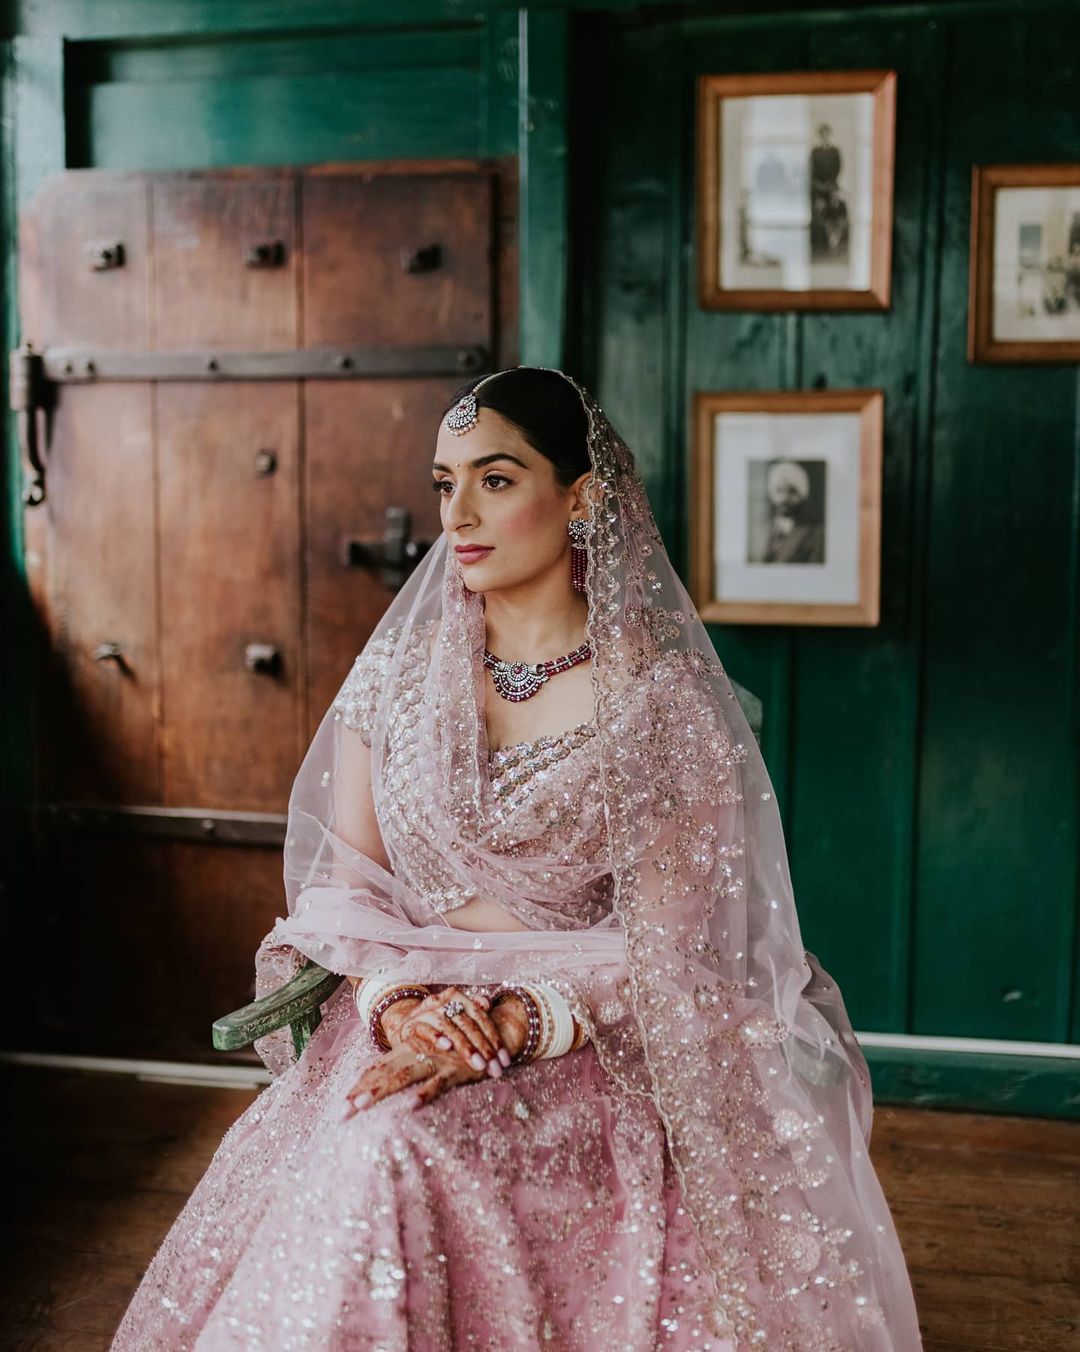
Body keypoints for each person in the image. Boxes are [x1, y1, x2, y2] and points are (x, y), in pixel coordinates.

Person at [111, 366, 923, 1350]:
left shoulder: (660, 706)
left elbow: (682, 941)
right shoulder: (395, 686)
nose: (460, 512)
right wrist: (402, 1004)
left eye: (496, 478)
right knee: (380, 1135)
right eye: (447, 483)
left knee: (398, 1144)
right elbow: (346, 890)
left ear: (580, 496)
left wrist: (517, 1016)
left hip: (599, 1034)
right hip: (405, 1006)